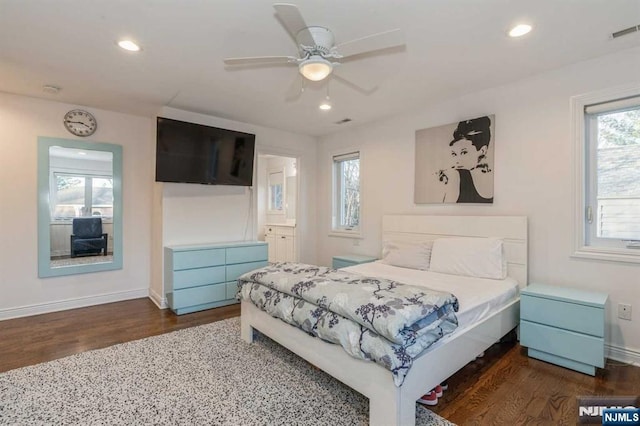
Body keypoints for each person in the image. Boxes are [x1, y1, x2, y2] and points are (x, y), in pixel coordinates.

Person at [436, 116, 493, 203]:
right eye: (454, 154)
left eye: (464, 152)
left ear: (482, 150)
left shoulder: (456, 176)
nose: (457, 160)